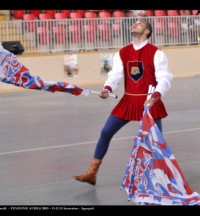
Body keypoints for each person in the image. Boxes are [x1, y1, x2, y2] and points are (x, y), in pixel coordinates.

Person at [73, 18, 173, 185]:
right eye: (134, 23)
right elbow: (115, 76)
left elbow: (165, 78)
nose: (134, 24)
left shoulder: (157, 53)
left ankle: (160, 179)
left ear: (147, 31)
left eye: (140, 23)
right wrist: (108, 88)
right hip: (128, 100)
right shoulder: (122, 52)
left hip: (149, 101)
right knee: (106, 132)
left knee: (156, 142)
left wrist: (155, 96)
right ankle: (92, 172)